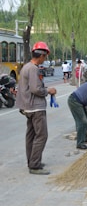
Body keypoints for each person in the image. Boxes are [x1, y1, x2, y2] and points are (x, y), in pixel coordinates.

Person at [16, 41, 57, 175]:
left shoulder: (26, 67)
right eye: (45, 57)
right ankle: (34, 165)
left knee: (31, 136)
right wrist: (48, 91)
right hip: (36, 107)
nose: (45, 59)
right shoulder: (33, 69)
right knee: (42, 136)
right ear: (41, 55)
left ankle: (32, 161)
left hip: (28, 107)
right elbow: (36, 89)